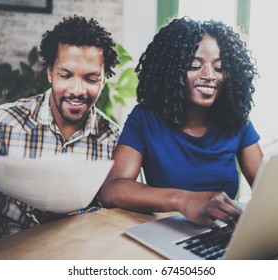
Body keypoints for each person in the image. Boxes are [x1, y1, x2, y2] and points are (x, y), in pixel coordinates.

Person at [0, 14, 120, 252]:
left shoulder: (114, 139)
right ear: (50, 73)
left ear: (103, 81)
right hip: (7, 258)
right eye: (66, 75)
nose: (77, 90)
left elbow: (119, 223)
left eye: (91, 79)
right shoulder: (3, 122)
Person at [100, 17, 263, 228]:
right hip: (167, 229)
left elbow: (268, 189)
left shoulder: (236, 121)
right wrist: (183, 200)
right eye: (194, 65)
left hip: (220, 233)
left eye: (220, 68)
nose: (209, 75)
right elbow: (112, 189)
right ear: (171, 70)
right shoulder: (145, 118)